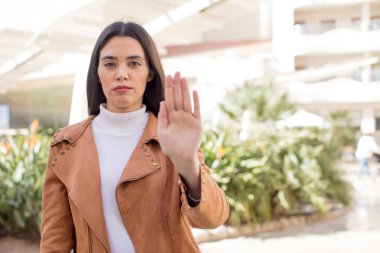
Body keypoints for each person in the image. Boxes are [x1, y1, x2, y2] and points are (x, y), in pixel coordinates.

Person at [40, 21, 229, 253]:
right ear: (97, 73)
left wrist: (188, 163)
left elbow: (213, 218)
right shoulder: (66, 146)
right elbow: (54, 241)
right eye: (110, 64)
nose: (122, 74)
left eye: (134, 63)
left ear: (149, 72)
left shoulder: (171, 136)